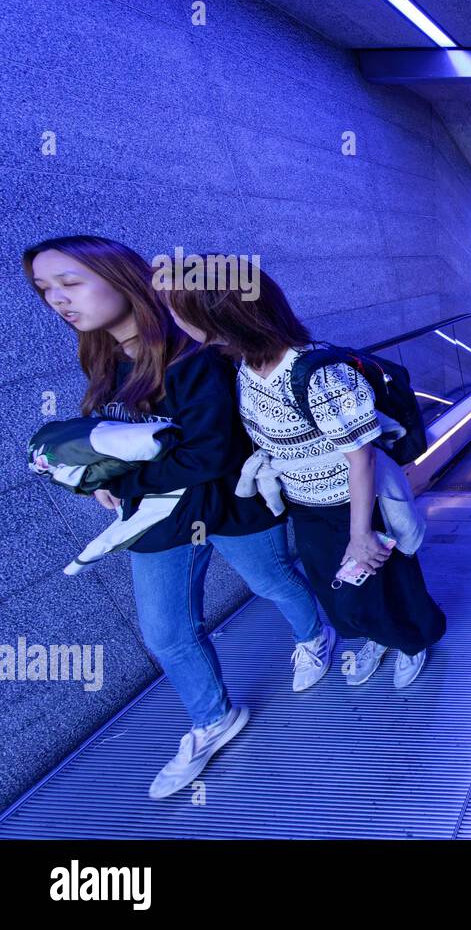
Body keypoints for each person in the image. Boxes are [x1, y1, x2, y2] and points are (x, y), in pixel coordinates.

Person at [24, 236, 335, 801]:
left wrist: (119, 479)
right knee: (165, 632)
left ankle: (314, 635)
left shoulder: (190, 350)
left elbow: (209, 454)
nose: (57, 300)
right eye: (45, 289)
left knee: (270, 580)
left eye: (70, 283)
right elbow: (123, 437)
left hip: (229, 499)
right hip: (161, 513)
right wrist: (98, 473)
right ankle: (212, 718)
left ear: (120, 277)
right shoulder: (101, 353)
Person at [163, 266, 446, 691]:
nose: (174, 320)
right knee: (340, 587)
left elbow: (361, 459)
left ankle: (410, 642)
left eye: (180, 311)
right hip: (305, 500)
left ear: (221, 317)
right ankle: (377, 637)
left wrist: (360, 533)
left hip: (354, 501)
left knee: (387, 580)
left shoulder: (319, 374)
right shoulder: (245, 366)